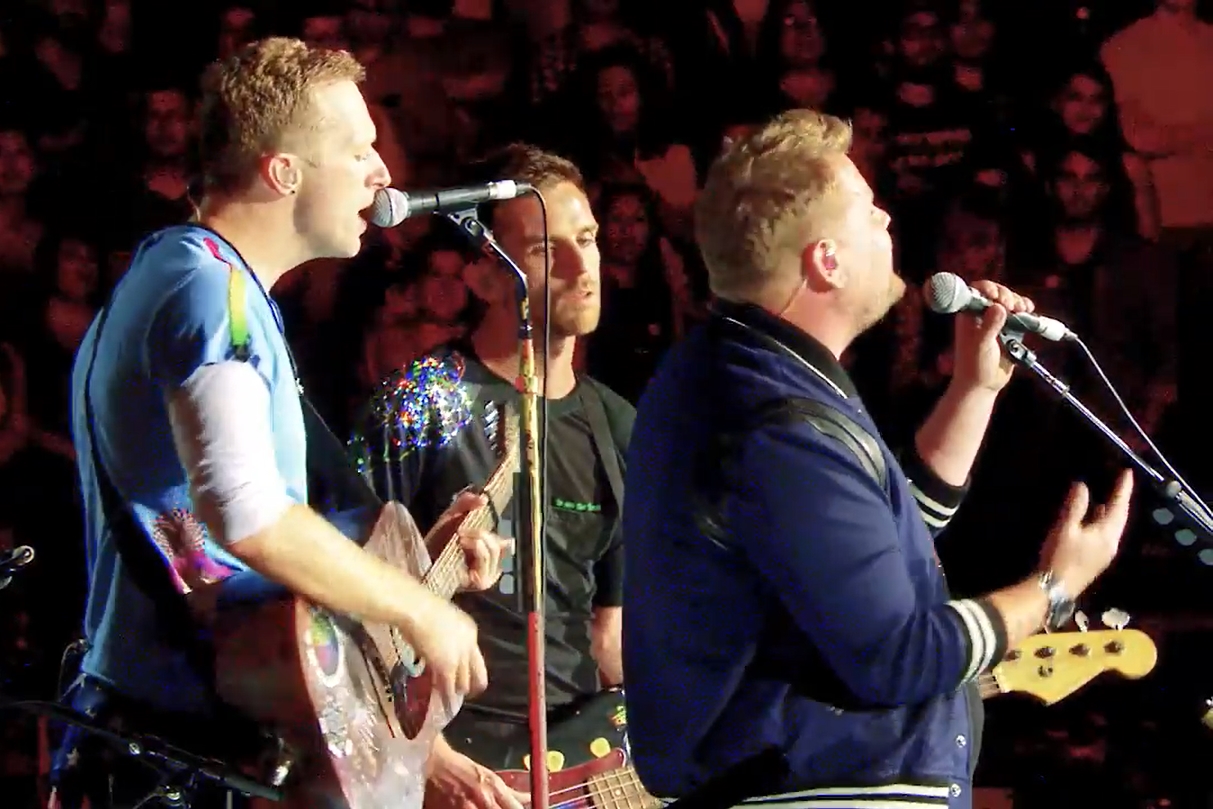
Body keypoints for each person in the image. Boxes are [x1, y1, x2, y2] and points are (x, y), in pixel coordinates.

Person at [620, 109, 1135, 808]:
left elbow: (878, 540)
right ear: (823, 259)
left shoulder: (753, 375)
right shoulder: (773, 420)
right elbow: (899, 655)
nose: (888, 220)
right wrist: (1051, 589)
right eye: (867, 210)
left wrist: (972, 388)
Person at [49, 38, 509, 809]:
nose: (381, 172)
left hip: (195, 740)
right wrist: (417, 607)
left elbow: (261, 582)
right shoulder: (204, 290)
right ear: (283, 171)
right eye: (357, 149)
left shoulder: (203, 284)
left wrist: (421, 573)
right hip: (172, 758)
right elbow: (247, 515)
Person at [349, 144, 635, 809]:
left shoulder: (620, 425)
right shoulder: (419, 403)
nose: (579, 265)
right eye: (543, 249)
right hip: (453, 760)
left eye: (586, 239)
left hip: (579, 764)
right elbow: (342, 604)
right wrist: (427, 756)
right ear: (480, 274)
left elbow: (608, 632)